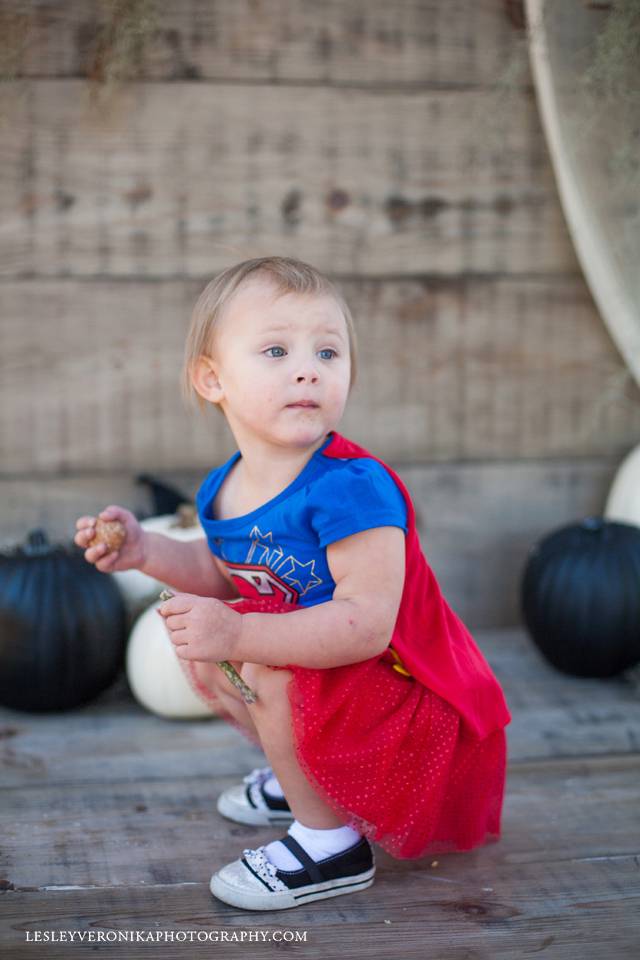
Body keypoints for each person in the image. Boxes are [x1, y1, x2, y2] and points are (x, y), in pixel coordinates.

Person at [75, 256, 511, 912]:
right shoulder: (224, 487)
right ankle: (309, 775)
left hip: (417, 698)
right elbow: (225, 576)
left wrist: (243, 630)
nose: (307, 367)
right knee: (228, 656)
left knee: (264, 662)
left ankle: (330, 842)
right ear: (212, 379)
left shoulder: (352, 490)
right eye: (276, 350)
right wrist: (146, 549)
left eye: (328, 352)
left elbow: (366, 625)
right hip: (337, 682)